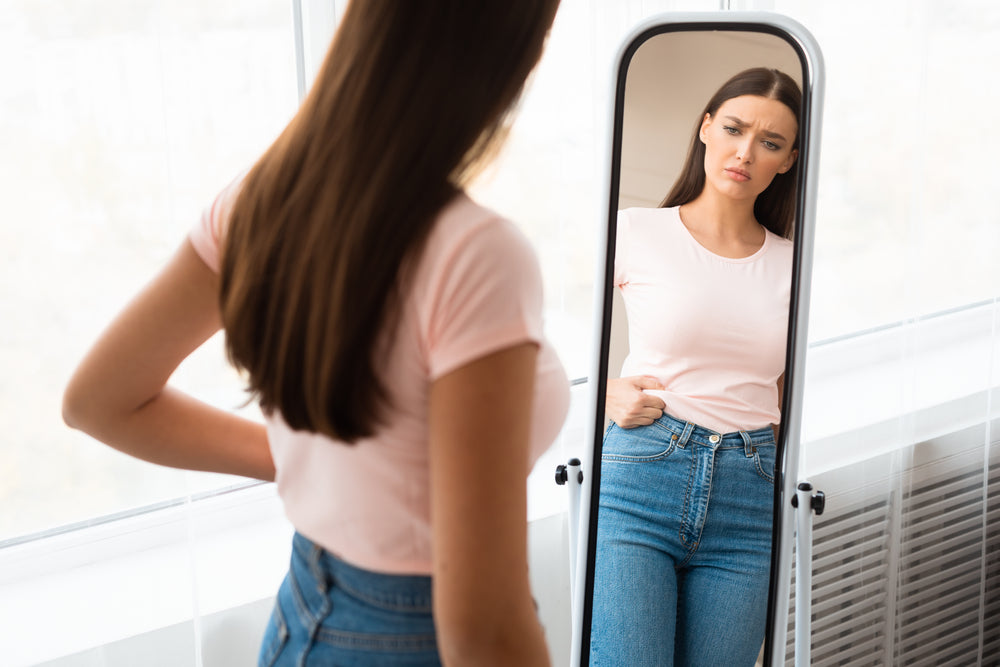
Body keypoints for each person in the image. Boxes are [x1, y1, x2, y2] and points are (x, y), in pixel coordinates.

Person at [62, 1, 568, 665]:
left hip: (305, 615)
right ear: (507, 59)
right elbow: (482, 629)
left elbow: (99, 400)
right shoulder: (475, 253)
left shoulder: (259, 202)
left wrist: (316, 456)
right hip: (409, 636)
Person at [589, 67, 801, 666]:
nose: (745, 152)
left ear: (786, 161)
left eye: (770, 142)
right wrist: (604, 392)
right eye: (734, 128)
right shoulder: (636, 230)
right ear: (706, 128)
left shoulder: (795, 265)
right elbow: (540, 341)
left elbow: (790, 387)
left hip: (749, 491)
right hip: (641, 477)